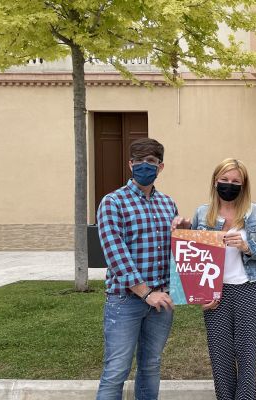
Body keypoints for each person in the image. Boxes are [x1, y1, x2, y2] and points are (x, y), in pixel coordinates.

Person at [96, 138, 189, 400]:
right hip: (126, 300)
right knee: (116, 371)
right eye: (139, 161)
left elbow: (173, 251)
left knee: (150, 367)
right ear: (130, 164)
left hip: (161, 302)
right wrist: (146, 293)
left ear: (160, 167)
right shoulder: (112, 202)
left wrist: (183, 234)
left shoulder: (168, 204)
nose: (144, 166)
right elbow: (116, 254)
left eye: (150, 162)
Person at [188, 158, 256, 400]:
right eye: (225, 180)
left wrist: (248, 247)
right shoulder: (202, 213)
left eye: (236, 181)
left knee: (247, 356)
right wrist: (202, 294)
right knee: (220, 356)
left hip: (249, 289)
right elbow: (194, 255)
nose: (230, 185)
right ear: (215, 181)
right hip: (216, 293)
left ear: (244, 184)